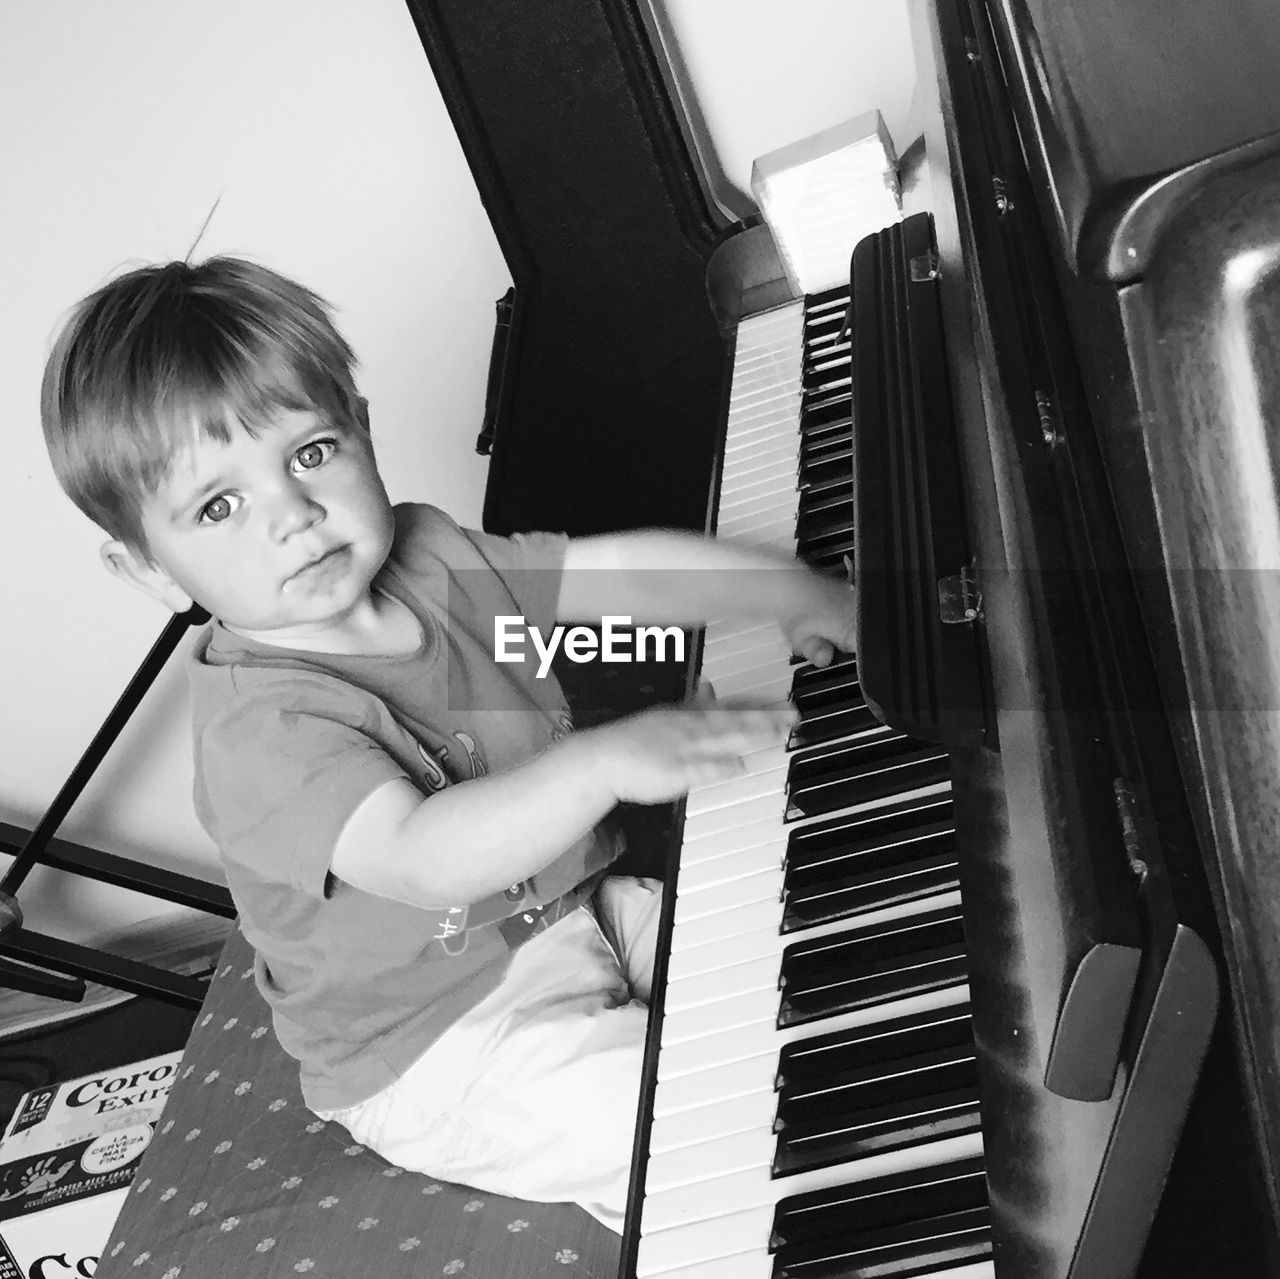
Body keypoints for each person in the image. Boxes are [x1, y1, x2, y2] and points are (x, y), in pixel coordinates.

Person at [39, 255, 855, 1231]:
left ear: (364, 432)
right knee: (678, 1128)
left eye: (309, 453)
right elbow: (424, 857)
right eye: (218, 505)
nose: (293, 516)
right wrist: (596, 764)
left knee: (776, 974)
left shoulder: (428, 555)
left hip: (569, 910)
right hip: (437, 1043)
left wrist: (794, 589)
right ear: (149, 569)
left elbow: (618, 574)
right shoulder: (262, 729)